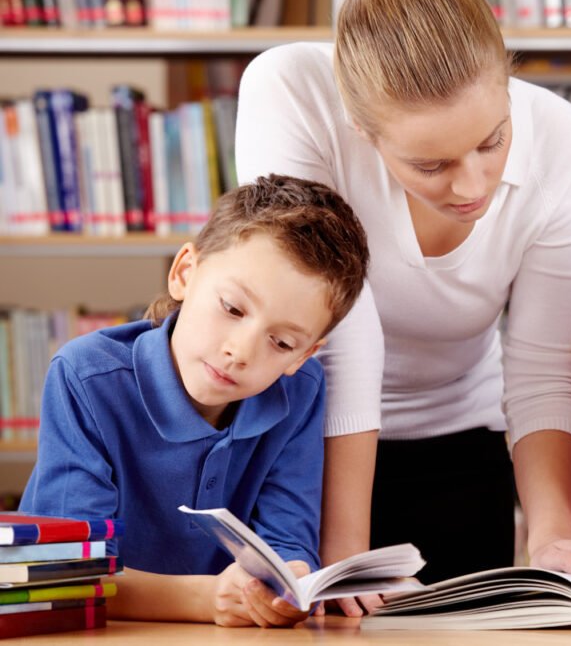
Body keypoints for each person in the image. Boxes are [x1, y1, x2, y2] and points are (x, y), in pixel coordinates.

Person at [234, 0, 571, 608]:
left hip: (461, 439)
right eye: (430, 164)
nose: (472, 187)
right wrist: (346, 553)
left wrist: (551, 535)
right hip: (298, 447)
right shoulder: (290, 90)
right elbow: (337, 325)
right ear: (361, 128)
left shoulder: (562, 140)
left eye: (493, 141)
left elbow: (541, 365)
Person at [19, 175, 370, 627]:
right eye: (232, 309)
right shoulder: (85, 376)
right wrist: (205, 600)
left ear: (304, 355)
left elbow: (289, 543)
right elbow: (65, 575)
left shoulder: (302, 390)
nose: (241, 352)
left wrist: (288, 585)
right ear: (185, 272)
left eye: (281, 343)